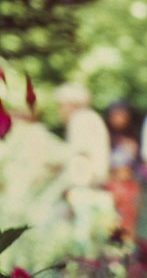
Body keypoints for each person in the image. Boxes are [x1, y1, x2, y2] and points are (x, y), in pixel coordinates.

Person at [54, 83, 116, 252]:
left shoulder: (81, 119)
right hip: (94, 187)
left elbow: (81, 156)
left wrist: (75, 187)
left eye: (61, 105)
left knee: (82, 243)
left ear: (73, 104)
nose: (59, 110)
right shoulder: (91, 118)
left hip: (85, 188)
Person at [104, 101, 140, 240]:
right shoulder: (106, 139)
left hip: (129, 187)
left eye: (122, 115)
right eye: (115, 115)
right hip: (112, 185)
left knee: (128, 224)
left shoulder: (132, 140)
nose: (119, 119)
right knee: (110, 221)